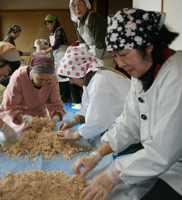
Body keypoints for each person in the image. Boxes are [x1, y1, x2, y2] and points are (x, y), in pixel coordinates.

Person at [72, 8, 182, 200]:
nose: (119, 63)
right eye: (115, 56)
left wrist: (114, 175)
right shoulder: (142, 72)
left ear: (149, 45)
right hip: (162, 157)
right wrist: (97, 155)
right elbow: (129, 124)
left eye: (123, 54)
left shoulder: (179, 78)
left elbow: (163, 151)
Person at [56, 44, 131, 177]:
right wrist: (73, 121)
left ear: (79, 72)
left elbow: (98, 121)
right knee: (95, 138)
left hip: (131, 127)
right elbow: (86, 109)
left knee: (106, 147)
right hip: (115, 119)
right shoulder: (90, 81)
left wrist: (75, 134)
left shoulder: (100, 82)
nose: (71, 82)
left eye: (71, 77)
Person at [0, 55, 66, 134]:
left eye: (47, 80)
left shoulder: (53, 79)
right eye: (40, 79)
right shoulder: (19, 77)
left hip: (37, 110)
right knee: (20, 131)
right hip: (16, 112)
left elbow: (56, 103)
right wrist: (26, 119)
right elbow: (11, 107)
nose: (44, 83)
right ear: (32, 72)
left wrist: (55, 119)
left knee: (42, 128)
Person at [35, 14, 74, 104]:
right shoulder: (52, 32)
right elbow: (50, 45)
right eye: (47, 25)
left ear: (54, 22)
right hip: (57, 56)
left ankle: (64, 98)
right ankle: (61, 97)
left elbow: (56, 45)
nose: (48, 26)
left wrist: (44, 52)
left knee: (63, 77)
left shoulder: (59, 30)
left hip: (63, 55)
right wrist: (41, 45)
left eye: (49, 24)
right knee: (59, 76)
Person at [69, 0, 116, 70]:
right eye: (74, 6)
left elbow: (100, 44)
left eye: (79, 4)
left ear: (86, 4)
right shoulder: (77, 24)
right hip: (93, 53)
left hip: (105, 54)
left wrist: (93, 62)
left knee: (103, 77)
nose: (77, 8)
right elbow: (83, 45)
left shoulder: (93, 17)